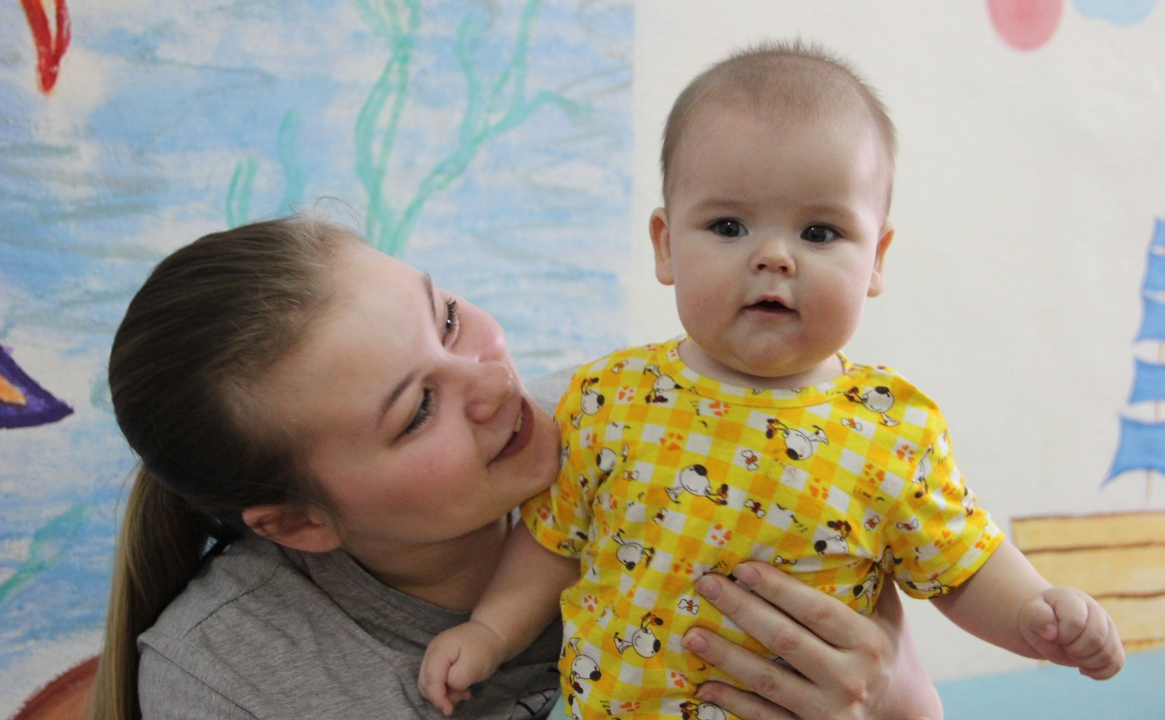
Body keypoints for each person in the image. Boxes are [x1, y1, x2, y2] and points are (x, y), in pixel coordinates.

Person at [420, 40, 1125, 720]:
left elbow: (963, 563)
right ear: (666, 246)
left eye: (819, 233)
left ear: (876, 259)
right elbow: (552, 542)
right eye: (729, 226)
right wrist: (489, 633)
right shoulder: (609, 397)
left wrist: (1034, 613)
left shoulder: (892, 426)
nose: (774, 257)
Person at [90, 212, 941, 720]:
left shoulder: (643, 437)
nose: (496, 382)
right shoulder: (226, 678)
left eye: (447, 318)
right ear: (301, 522)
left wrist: (894, 700)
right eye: (417, 411)